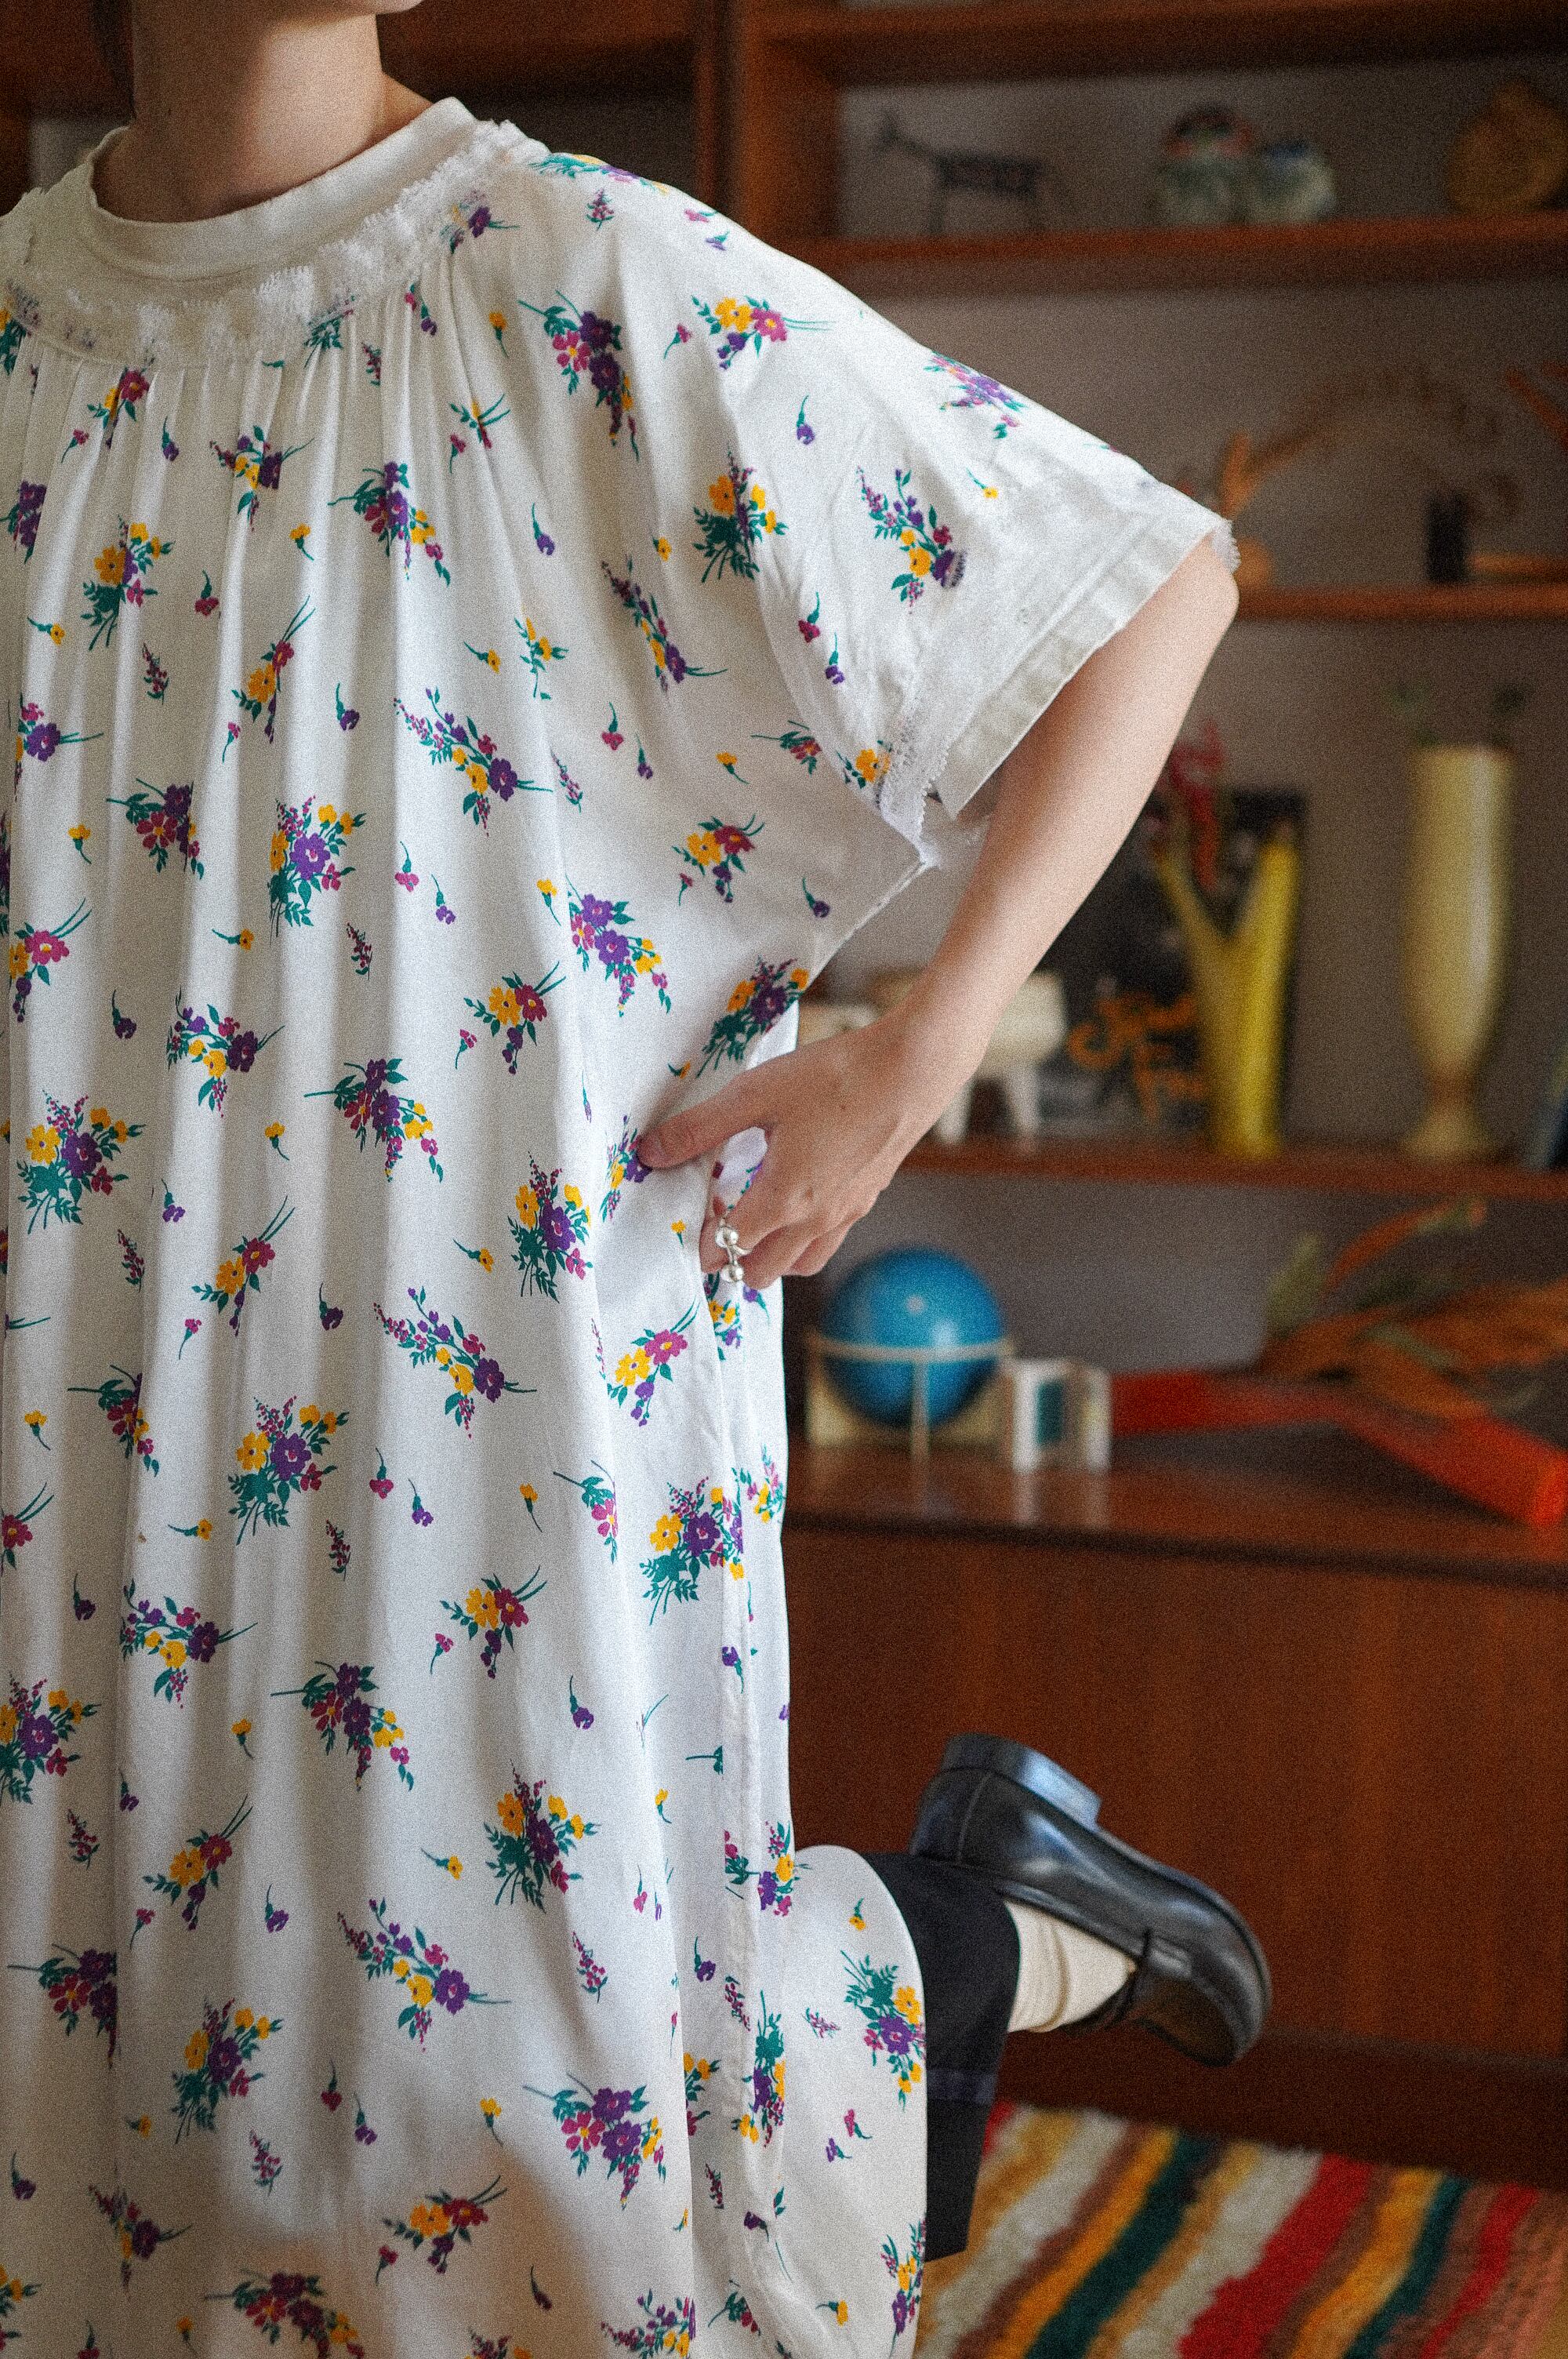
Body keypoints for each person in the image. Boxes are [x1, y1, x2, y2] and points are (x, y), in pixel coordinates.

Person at [0, 4, 1268, 2352]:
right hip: (86, 1413)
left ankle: (957, 1943)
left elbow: (1143, 587)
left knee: (515, 2118)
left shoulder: (577, 276)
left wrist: (921, 1047)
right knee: (128, 2118)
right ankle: (970, 1925)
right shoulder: (17, 344)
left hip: (497, 1387)